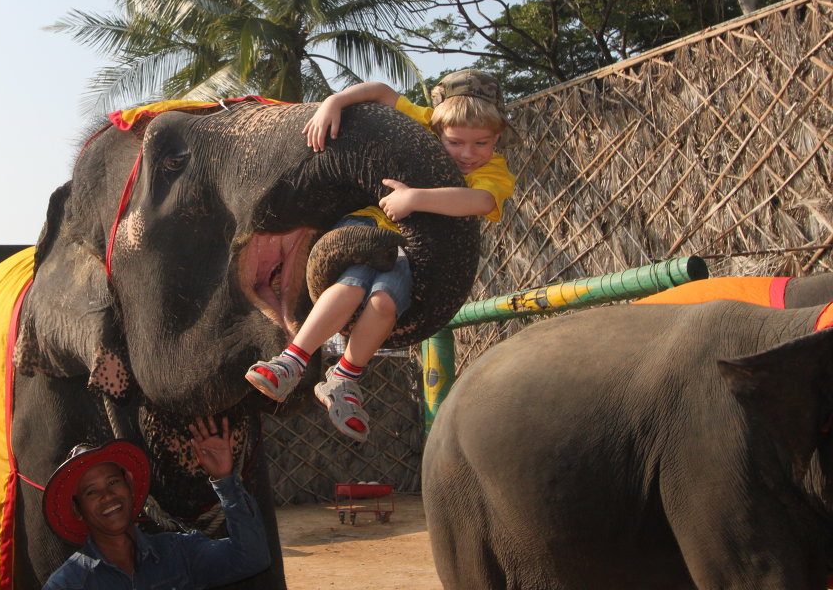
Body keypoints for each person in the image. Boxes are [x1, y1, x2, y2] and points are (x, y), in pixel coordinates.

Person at [245, 69, 516, 442]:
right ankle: (291, 360)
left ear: (497, 138)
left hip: (410, 251)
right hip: (366, 229)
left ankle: (344, 378)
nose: (468, 154)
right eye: (455, 142)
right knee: (352, 285)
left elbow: (481, 200)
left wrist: (415, 198)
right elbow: (382, 92)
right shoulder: (424, 122)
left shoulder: (495, 171)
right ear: (438, 131)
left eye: (481, 143)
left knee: (384, 303)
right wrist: (334, 102)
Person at [41, 416, 271, 589]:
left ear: (129, 487)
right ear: (77, 509)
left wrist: (225, 480)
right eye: (92, 492)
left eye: (112, 482)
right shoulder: (68, 583)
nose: (108, 496)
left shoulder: (178, 552)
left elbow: (252, 557)